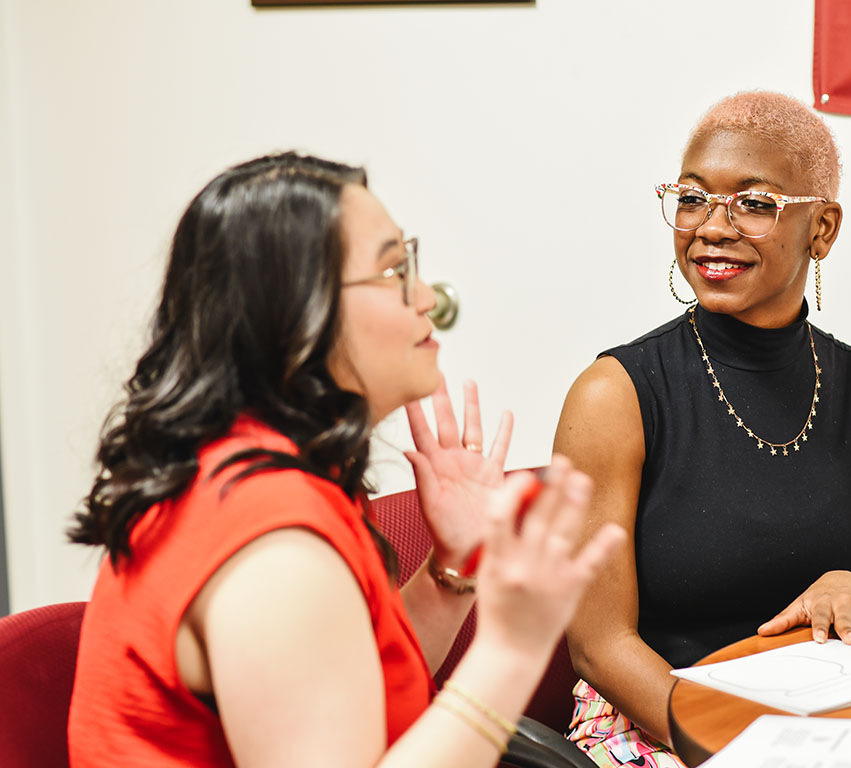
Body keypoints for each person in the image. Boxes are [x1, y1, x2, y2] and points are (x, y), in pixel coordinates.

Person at [67, 152, 624, 768]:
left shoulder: (262, 465)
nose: (427, 297)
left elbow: (344, 687)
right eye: (393, 271)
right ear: (295, 315)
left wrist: (453, 568)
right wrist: (511, 650)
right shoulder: (273, 546)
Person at [554, 91, 851, 767]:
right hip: (658, 716)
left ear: (823, 228)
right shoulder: (614, 395)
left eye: (754, 203)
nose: (711, 227)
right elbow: (598, 646)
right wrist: (741, 744)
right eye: (692, 198)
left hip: (815, 715)